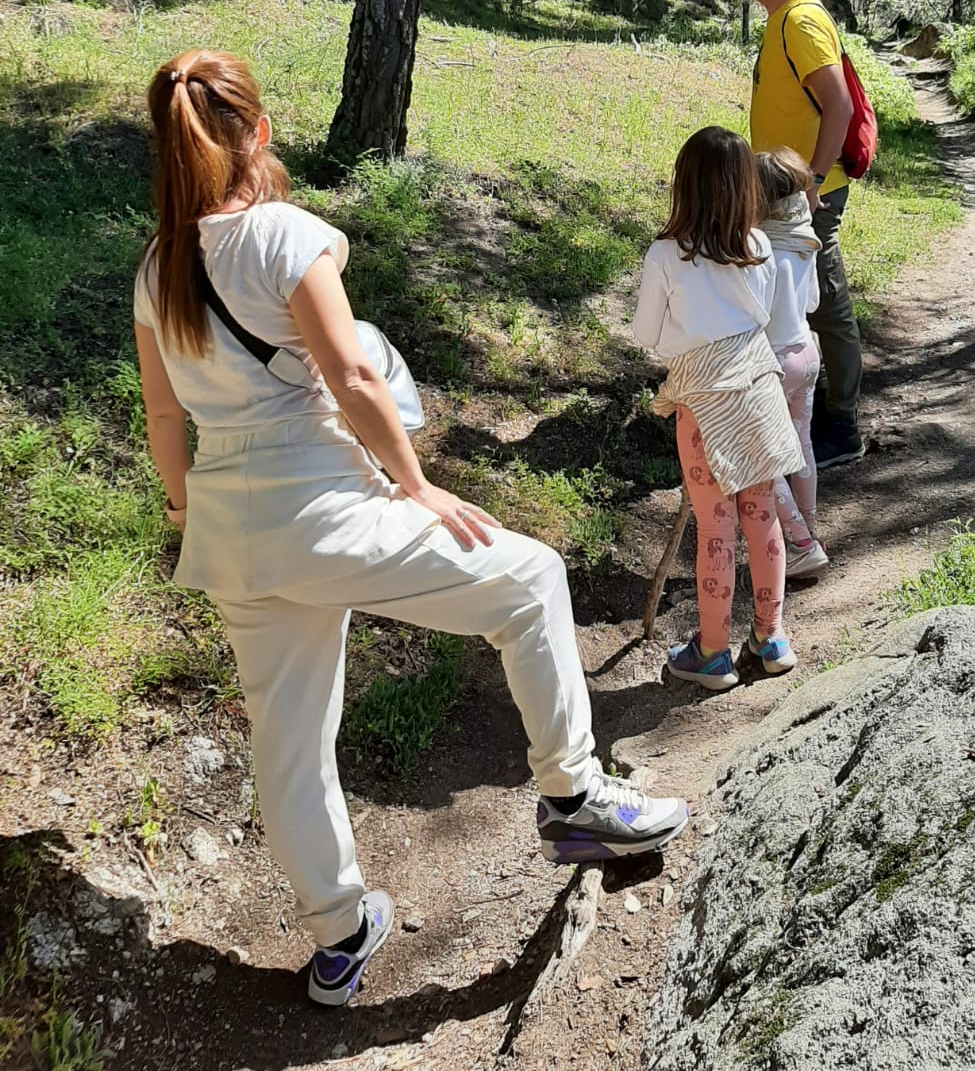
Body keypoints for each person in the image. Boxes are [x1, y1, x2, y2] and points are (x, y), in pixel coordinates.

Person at [133, 49, 687, 1009]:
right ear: (256, 133)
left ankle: (340, 935)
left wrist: (186, 513)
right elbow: (350, 378)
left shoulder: (155, 268)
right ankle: (573, 796)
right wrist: (418, 485)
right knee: (529, 580)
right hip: (324, 511)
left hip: (229, 536)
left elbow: (164, 421)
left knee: (289, 738)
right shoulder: (283, 234)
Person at [632, 126, 802, 691]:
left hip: (703, 404)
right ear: (743, 190)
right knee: (763, 515)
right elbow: (770, 320)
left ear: (685, 185)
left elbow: (647, 335)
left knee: (716, 527)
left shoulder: (665, 256)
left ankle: (711, 651)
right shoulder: (760, 247)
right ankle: (771, 636)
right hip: (758, 389)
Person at [742, 0, 865, 470]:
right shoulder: (783, 19)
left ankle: (841, 425)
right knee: (795, 301)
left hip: (809, 193)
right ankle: (808, 408)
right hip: (785, 190)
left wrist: (812, 181)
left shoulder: (801, 21)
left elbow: (837, 105)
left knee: (826, 302)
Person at [755, 147, 828, 580]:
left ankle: (799, 542)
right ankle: (811, 530)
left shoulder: (759, 247)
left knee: (762, 455)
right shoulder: (805, 241)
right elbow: (815, 300)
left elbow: (752, 313)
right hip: (807, 353)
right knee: (801, 445)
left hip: (773, 364)